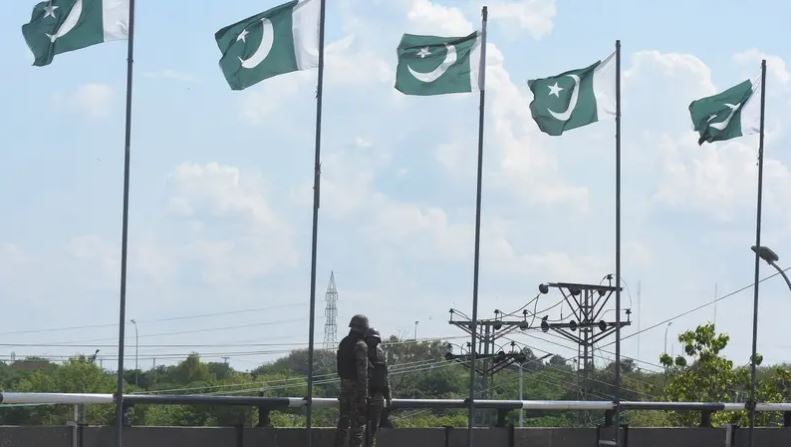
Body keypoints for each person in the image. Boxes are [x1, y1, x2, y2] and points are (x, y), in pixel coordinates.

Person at [333, 314, 369, 447]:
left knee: (342, 425)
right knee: (357, 428)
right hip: (356, 391)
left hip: (344, 388)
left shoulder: (344, 342)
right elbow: (362, 373)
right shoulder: (360, 345)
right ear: (364, 328)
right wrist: (364, 397)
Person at [365, 328, 391, 447]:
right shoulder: (361, 352)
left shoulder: (381, 354)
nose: (373, 341)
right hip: (364, 394)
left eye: (375, 339)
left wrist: (388, 397)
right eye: (370, 339)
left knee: (374, 429)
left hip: (378, 395)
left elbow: (385, 376)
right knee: (361, 428)